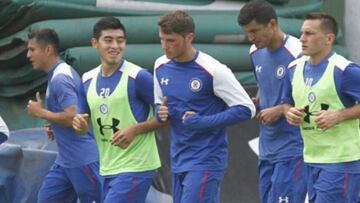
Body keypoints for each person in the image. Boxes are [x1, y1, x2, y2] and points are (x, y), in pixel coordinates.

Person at [154, 10, 256, 203]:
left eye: (171, 40)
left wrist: (202, 121)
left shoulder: (213, 69)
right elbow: (160, 105)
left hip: (206, 159)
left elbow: (246, 109)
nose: (164, 46)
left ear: (189, 37)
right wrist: (161, 113)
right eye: (162, 39)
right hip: (177, 158)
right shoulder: (160, 66)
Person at [72, 16, 162, 203]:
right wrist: (79, 125)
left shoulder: (139, 77)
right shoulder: (87, 79)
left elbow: (165, 116)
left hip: (136, 166)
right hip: (107, 167)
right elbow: (82, 123)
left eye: (120, 41)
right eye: (108, 40)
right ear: (94, 43)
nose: (115, 46)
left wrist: (134, 130)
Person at [283, 13, 360, 203]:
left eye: (309, 33)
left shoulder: (345, 70)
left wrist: (339, 115)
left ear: (329, 38)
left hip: (341, 161)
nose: (302, 39)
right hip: (310, 158)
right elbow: (286, 102)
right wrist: (288, 112)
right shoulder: (293, 68)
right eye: (302, 33)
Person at [237, 1, 307, 202]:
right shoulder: (254, 51)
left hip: (294, 147)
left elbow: (313, 99)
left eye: (255, 31)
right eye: (247, 32)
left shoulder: (298, 53)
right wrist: (258, 99)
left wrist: (278, 109)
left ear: (272, 24)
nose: (251, 37)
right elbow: (266, 83)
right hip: (267, 147)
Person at [26, 29, 102, 203]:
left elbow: (73, 116)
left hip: (83, 160)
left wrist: (41, 113)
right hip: (65, 161)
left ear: (48, 50)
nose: (28, 55)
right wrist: (55, 125)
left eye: (32, 49)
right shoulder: (56, 75)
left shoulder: (61, 78)